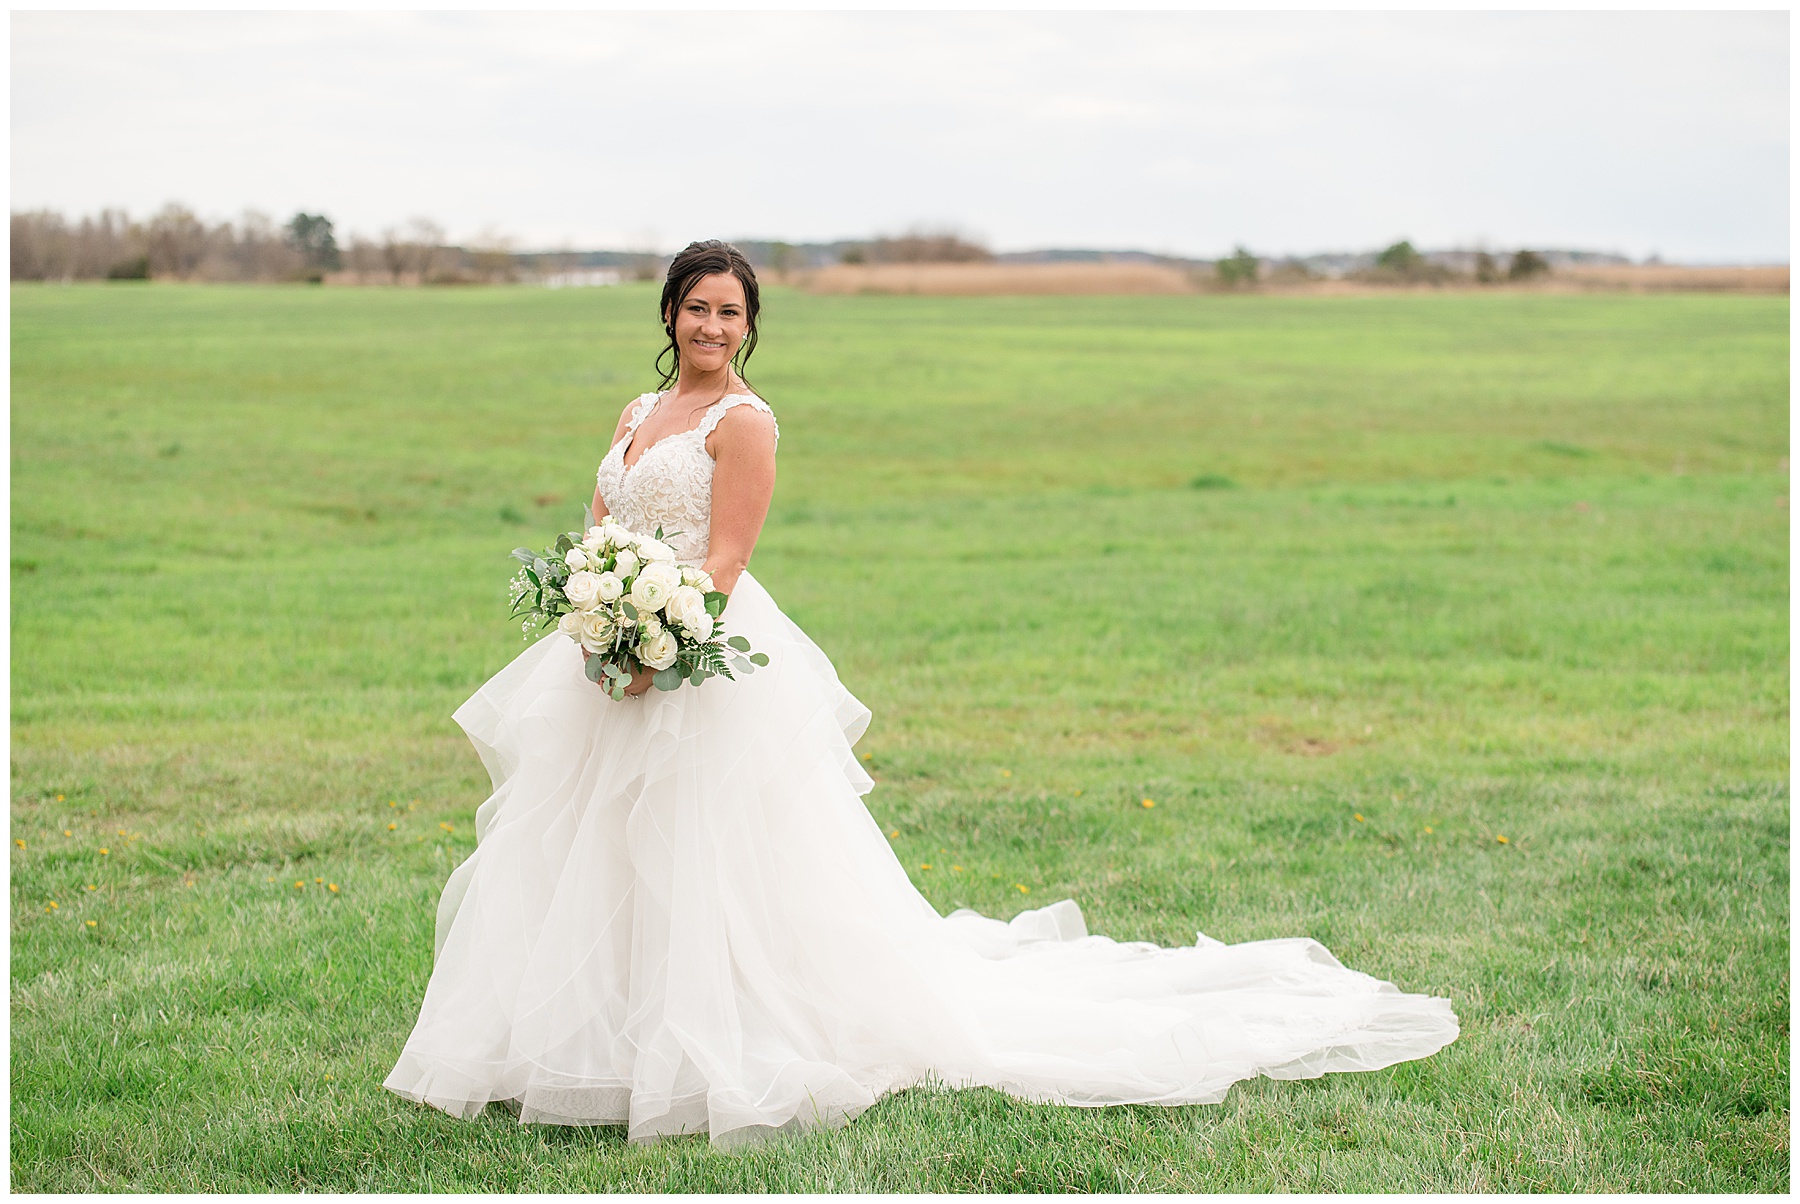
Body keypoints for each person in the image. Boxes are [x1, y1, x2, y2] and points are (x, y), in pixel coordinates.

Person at [384, 240, 1458, 1148]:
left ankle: (723, 1036)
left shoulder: (746, 422)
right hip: (614, 645)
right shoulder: (638, 406)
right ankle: (595, 1040)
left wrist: (657, 642)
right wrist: (596, 612)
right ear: (668, 314)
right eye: (697, 307)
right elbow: (603, 518)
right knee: (595, 846)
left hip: (694, 650)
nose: (711, 324)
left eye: (730, 311)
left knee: (709, 854)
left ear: (749, 327)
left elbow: (726, 558)